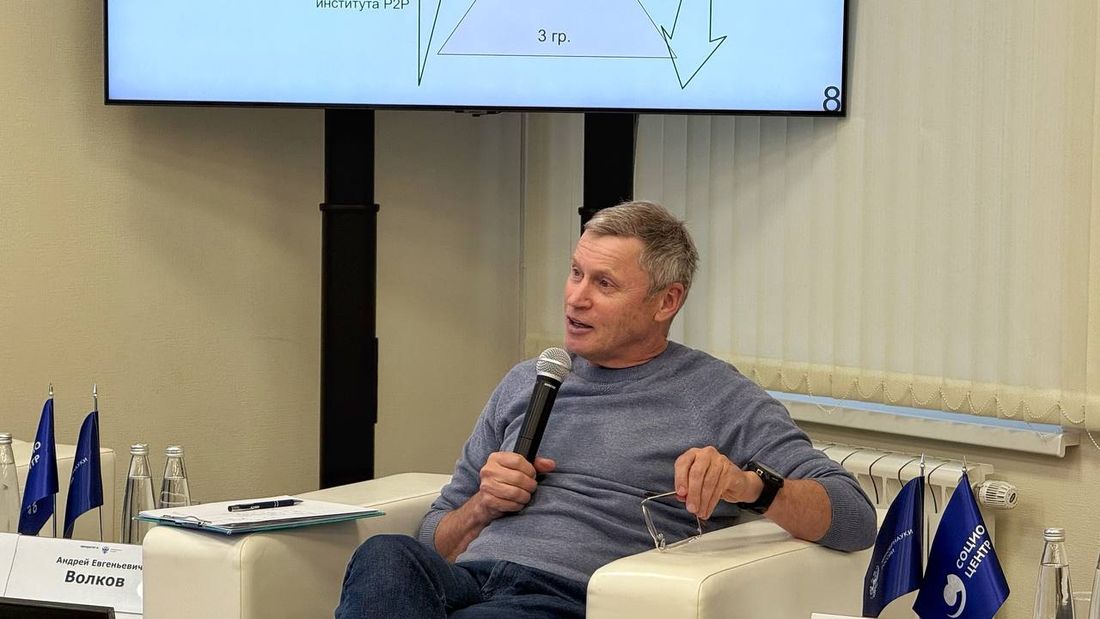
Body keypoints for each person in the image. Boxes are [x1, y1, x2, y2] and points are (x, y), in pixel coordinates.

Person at [335, 200, 877, 618]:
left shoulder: (717, 396)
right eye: (575, 273)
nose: (576, 298)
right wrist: (482, 505)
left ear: (667, 301)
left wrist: (751, 486)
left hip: (565, 596)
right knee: (387, 555)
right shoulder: (530, 379)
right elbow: (435, 538)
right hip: (467, 581)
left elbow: (854, 517)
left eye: (604, 284)